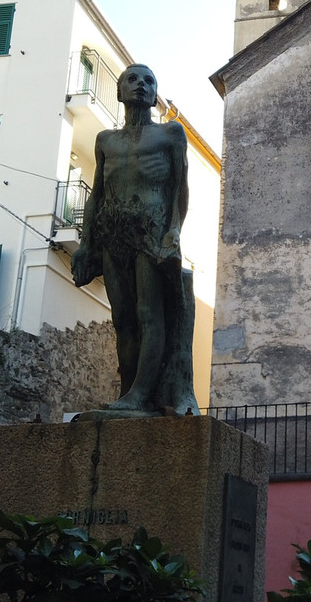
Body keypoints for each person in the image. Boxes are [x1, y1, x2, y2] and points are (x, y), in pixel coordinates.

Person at [71, 64, 198, 414]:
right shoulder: (104, 141)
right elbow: (96, 194)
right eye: (133, 80)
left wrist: (174, 230)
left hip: (152, 231)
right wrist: (85, 243)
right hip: (114, 234)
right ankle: (129, 392)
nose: (141, 85)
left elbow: (179, 188)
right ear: (119, 92)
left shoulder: (170, 134)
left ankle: (141, 395)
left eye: (149, 81)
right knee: (123, 319)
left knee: (148, 313)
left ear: (154, 94)